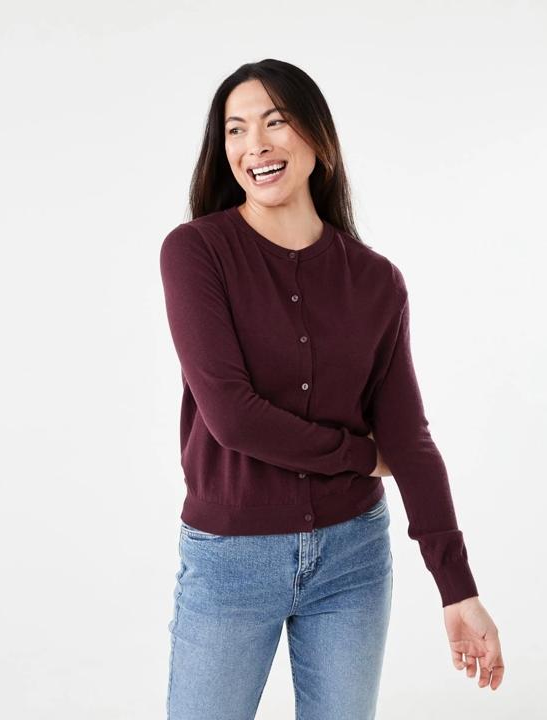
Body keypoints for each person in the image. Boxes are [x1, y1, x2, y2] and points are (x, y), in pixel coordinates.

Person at [159, 58, 504, 720]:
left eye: (275, 122)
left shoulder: (376, 280)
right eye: (235, 129)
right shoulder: (197, 253)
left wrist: (457, 588)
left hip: (353, 559)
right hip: (231, 561)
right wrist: (361, 456)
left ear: (318, 138)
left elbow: (409, 439)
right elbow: (233, 417)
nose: (254, 145)